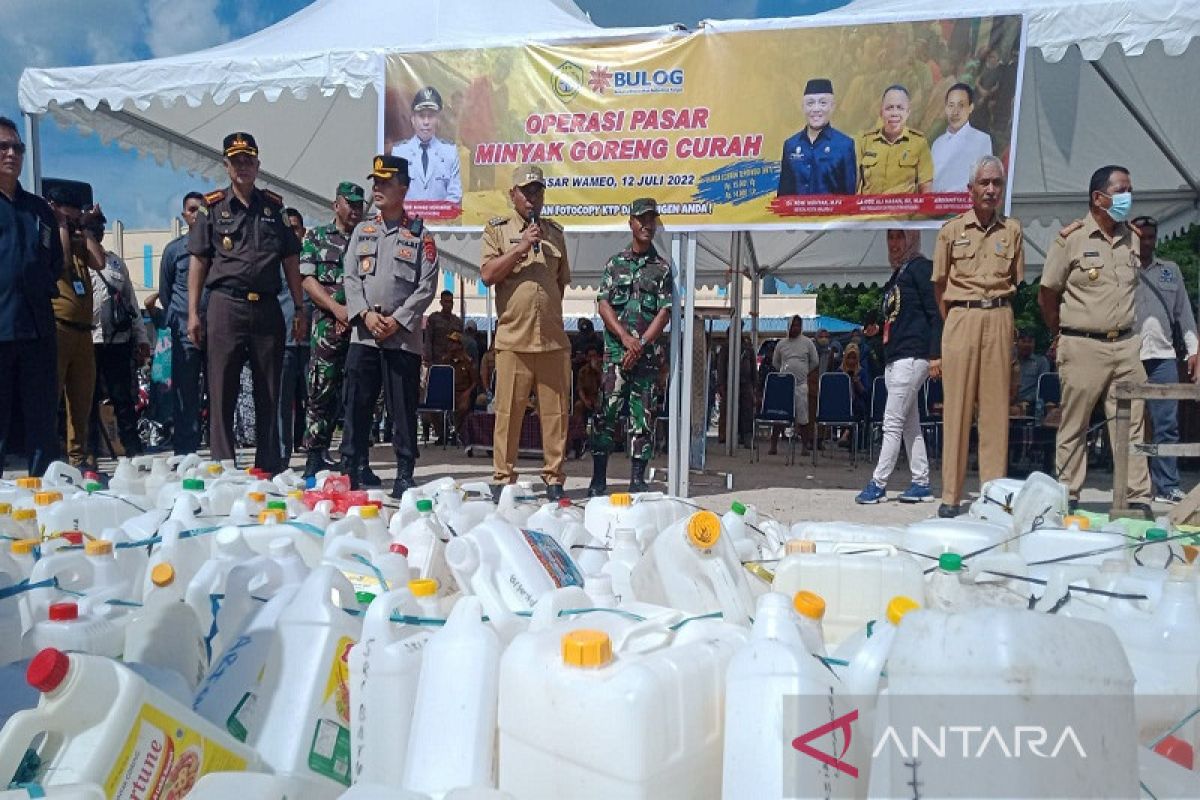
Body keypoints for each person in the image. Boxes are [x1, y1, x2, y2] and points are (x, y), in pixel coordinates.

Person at [186, 132, 306, 474]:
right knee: (221, 388)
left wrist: (299, 308)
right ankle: (222, 467)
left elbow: (290, 262)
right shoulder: (212, 208)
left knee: (269, 390)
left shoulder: (274, 209)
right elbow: (199, 261)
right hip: (225, 305)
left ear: (258, 165)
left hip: (268, 308)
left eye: (248, 160)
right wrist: (194, 313)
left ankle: (267, 466)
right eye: (236, 160)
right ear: (226, 165)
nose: (242, 166)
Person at [1038, 164, 1153, 513]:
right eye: (1121, 191)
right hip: (1083, 344)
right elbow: (1047, 292)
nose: (1127, 198)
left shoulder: (1132, 237)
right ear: (1098, 198)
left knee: (1133, 424)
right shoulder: (1071, 239)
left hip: (1127, 344)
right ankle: (1068, 495)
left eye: (1130, 190)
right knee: (1076, 423)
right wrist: (1059, 332)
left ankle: (1137, 496)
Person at [342, 155, 439, 496]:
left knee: (402, 408)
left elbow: (427, 286)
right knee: (357, 404)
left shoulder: (421, 237)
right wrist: (365, 315)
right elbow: (350, 277)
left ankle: (403, 473)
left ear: (404, 187)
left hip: (401, 338)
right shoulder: (362, 230)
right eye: (375, 182)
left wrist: (397, 321)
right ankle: (351, 467)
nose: (377, 188)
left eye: (385, 182)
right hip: (365, 333)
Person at [933, 155, 1023, 518]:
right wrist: (957, 320)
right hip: (961, 317)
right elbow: (939, 285)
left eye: (996, 183)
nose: (990, 189)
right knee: (956, 409)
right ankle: (951, 496)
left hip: (999, 315)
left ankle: (993, 497)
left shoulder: (1012, 231)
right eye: (983, 183)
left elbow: (1016, 279)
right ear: (969, 189)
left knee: (995, 411)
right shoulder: (951, 231)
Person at [481, 165, 572, 500]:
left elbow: (560, 284)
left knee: (555, 414)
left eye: (538, 191)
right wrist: (520, 249)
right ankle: (503, 478)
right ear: (512, 195)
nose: (533, 197)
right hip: (513, 340)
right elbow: (488, 275)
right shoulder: (497, 231)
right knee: (507, 413)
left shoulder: (556, 233)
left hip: (551, 340)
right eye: (527, 191)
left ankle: (554, 478)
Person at [587, 198, 673, 496]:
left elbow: (664, 312)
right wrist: (625, 339)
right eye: (642, 220)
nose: (647, 225)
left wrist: (641, 344)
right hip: (616, 356)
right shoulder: (615, 264)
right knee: (606, 415)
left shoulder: (662, 269)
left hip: (646, 359)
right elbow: (603, 304)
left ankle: (637, 479)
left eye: (652, 220)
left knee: (643, 417)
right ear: (631, 223)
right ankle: (599, 479)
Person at [856, 230, 942, 504]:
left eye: (899, 237)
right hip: (896, 356)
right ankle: (921, 482)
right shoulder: (897, 275)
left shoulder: (921, 268)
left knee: (891, 422)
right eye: (890, 238)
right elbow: (898, 317)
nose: (894, 244)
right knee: (908, 425)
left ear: (912, 238)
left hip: (912, 355)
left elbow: (936, 313)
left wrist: (936, 355)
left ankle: (878, 483)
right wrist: (877, 332)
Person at [0, 117, 63, 475]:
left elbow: (54, 262)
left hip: (38, 330)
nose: (12, 153)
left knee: (42, 423)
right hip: (1, 327)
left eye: (17, 147)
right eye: (3, 147)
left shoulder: (39, 210)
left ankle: (46, 496)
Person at [1132, 214, 1198, 504]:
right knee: (1129, 423)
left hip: (1162, 355)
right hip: (1127, 354)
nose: (1147, 242)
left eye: (1151, 237)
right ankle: (1133, 485)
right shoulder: (1120, 269)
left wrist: (1194, 350)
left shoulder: (1170, 270)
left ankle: (1167, 486)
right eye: (1142, 237)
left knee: (1166, 424)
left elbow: (1184, 314)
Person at [299, 181, 364, 477]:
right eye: (349, 203)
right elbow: (308, 281)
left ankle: (356, 460)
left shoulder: (369, 239)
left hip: (361, 325)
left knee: (358, 394)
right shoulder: (317, 237)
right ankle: (314, 455)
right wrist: (336, 309)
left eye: (359, 204)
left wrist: (352, 313)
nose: (355, 209)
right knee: (321, 388)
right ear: (335, 205)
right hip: (326, 325)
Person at [43, 179, 105, 469]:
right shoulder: (55, 235)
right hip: (59, 326)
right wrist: (62, 225)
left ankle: (78, 456)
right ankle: (48, 455)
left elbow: (100, 262)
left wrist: (85, 228)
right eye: (71, 211)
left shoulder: (80, 236)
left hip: (83, 332)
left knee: (81, 400)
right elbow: (63, 260)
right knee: (51, 397)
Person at [87, 216, 151, 459]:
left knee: (122, 399)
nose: (98, 232)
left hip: (118, 341)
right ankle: (88, 453)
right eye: (93, 229)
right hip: (89, 340)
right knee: (88, 401)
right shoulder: (78, 258)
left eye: (101, 228)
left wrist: (142, 338)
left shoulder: (115, 262)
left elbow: (131, 303)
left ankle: (133, 450)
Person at [159, 192, 206, 455]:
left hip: (215, 329)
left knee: (219, 392)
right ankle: (185, 451)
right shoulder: (174, 250)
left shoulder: (219, 247)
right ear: (184, 216)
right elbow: (165, 292)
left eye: (201, 209)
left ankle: (220, 450)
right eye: (191, 209)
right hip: (184, 330)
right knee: (185, 394)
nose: (197, 213)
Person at [777, 78, 856, 196]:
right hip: (797, 214)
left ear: (832, 106)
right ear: (803, 107)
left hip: (832, 214)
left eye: (823, 103)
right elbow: (783, 196)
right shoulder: (790, 145)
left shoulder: (845, 145)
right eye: (810, 103)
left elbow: (849, 195)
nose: (816, 109)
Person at [391, 86, 463, 205]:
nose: (426, 122)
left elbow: (455, 195)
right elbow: (395, 195)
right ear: (413, 120)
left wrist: (437, 217)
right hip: (407, 222)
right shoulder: (399, 152)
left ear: (438, 120)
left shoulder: (449, 152)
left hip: (440, 222)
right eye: (421, 116)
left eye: (431, 116)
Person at [857, 85, 934, 194]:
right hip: (869, 210)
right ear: (881, 112)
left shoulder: (919, 142)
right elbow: (854, 186)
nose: (894, 113)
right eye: (889, 108)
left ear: (908, 112)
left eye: (900, 108)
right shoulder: (864, 141)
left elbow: (926, 190)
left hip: (905, 211)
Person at [930, 83, 994, 193]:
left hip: (968, 207)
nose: (955, 112)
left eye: (961, 105)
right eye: (951, 105)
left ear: (970, 108)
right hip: (937, 206)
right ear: (945, 109)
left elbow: (984, 181)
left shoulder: (982, 140)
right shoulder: (937, 143)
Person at [769, 316, 819, 455]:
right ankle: (773, 445)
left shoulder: (807, 343)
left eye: (798, 325)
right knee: (779, 415)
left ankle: (804, 447)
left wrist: (804, 371)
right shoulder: (781, 344)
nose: (795, 328)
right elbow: (775, 362)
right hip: (784, 385)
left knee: (803, 417)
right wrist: (784, 372)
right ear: (789, 326)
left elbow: (815, 361)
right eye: (793, 325)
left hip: (801, 384)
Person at [425, 289, 462, 365]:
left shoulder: (457, 322)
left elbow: (461, 342)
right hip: (436, 361)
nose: (448, 305)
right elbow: (428, 339)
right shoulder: (434, 318)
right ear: (441, 303)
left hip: (453, 362)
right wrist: (428, 359)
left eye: (450, 302)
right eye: (446, 302)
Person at [1014, 329, 1050, 407]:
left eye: (1030, 341)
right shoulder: (1009, 361)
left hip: (1030, 404)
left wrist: (1027, 399)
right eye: (1023, 341)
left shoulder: (1041, 362)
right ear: (1016, 342)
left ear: (1034, 344)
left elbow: (1042, 388)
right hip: (1006, 401)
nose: (1026, 345)